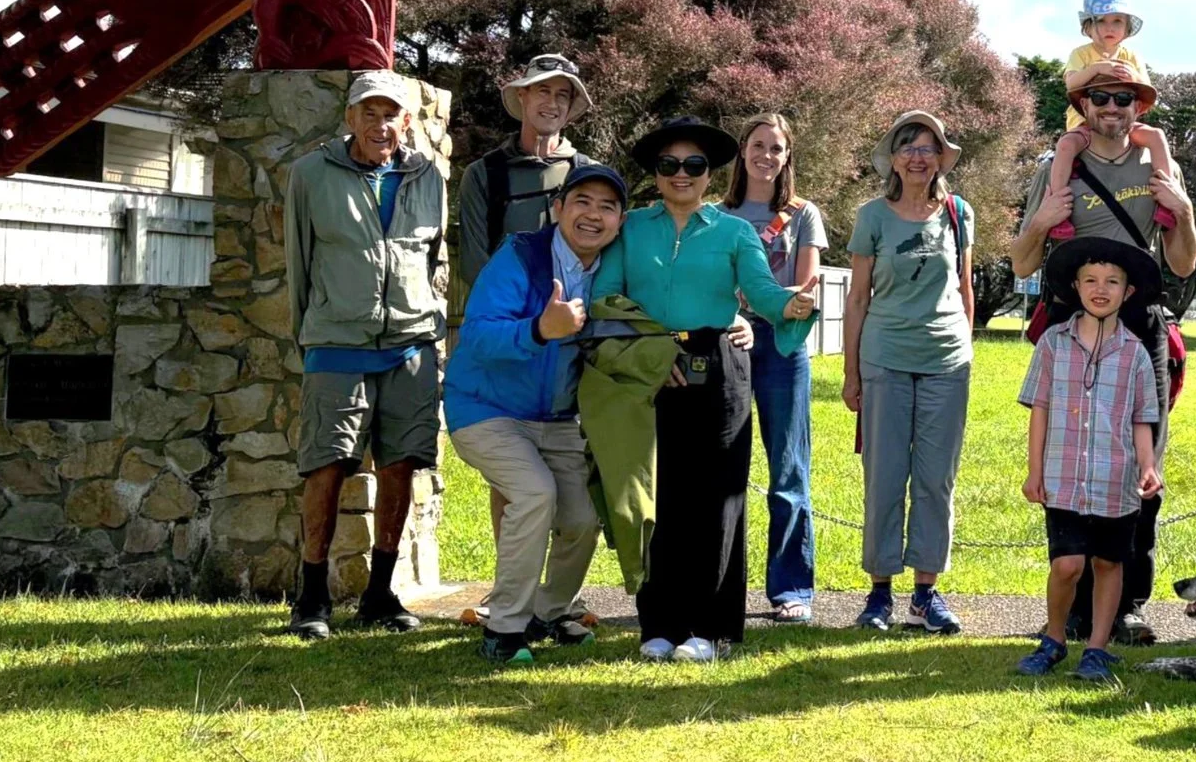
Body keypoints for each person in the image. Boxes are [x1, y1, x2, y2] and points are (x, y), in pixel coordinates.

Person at [592, 118, 818, 662]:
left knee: (717, 498)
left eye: (693, 165)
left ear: (709, 172)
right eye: (669, 164)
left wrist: (791, 305)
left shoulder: (733, 231)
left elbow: (762, 291)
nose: (681, 174)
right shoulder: (631, 229)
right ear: (656, 172)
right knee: (659, 495)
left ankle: (705, 628)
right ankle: (659, 624)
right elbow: (606, 296)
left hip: (719, 369)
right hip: (653, 365)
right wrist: (651, 351)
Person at [1009, 56, 1196, 644]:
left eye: (1124, 99)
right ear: (1083, 107)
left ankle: (1126, 606)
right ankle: (1071, 607)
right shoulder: (1058, 168)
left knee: (1140, 463)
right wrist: (1041, 221)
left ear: (1138, 107)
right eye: (1100, 99)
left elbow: (1184, 261)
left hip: (1139, 326)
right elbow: (1021, 262)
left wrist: (1186, 210)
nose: (1112, 109)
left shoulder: (1156, 165)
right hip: (1072, 321)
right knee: (1072, 455)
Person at [284, 70, 448, 641]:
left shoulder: (429, 175)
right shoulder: (309, 175)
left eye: (391, 115)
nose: (381, 125)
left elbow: (432, 258)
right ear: (349, 118)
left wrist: (426, 325)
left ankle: (380, 593)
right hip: (336, 342)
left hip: (410, 344)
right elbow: (298, 264)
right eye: (369, 113)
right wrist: (311, 333)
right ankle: (311, 596)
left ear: (406, 121)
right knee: (325, 465)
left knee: (401, 466)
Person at [446, 163, 627, 661]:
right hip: (485, 409)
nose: (593, 215)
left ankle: (551, 610)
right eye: (582, 202)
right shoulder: (519, 256)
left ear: (620, 220)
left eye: (607, 206)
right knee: (534, 493)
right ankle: (504, 630)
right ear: (558, 209)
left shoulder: (613, 269)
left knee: (583, 518)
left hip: (557, 419)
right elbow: (478, 336)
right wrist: (539, 329)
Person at [842, 111, 976, 635]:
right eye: (908, 147)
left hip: (946, 361)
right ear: (893, 159)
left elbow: (964, 287)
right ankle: (879, 595)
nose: (918, 156)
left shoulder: (959, 213)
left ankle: (926, 595)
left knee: (936, 481)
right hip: (885, 358)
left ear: (942, 156)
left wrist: (967, 344)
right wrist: (851, 373)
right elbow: (856, 298)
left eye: (929, 147)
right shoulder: (872, 215)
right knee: (884, 475)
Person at [1016, 236, 1165, 681]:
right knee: (1067, 564)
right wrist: (1035, 471)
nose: (1101, 289)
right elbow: (1039, 409)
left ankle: (1097, 648)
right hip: (1063, 477)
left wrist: (1147, 466)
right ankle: (1055, 638)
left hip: (1115, 478)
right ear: (1076, 287)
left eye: (1112, 282)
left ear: (1128, 292)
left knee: (1108, 563)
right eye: (1091, 280)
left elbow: (1143, 418)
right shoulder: (1052, 344)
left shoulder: (1136, 353)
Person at [722, 114, 826, 622]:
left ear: (788, 157)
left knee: (788, 469)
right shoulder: (716, 215)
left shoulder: (803, 214)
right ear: (743, 151)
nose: (767, 155)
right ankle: (722, 586)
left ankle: (792, 590)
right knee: (725, 470)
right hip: (728, 345)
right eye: (758, 145)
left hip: (784, 350)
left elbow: (804, 290)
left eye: (777, 148)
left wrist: (761, 300)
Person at [457, 53, 596, 290]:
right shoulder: (483, 175)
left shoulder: (590, 175)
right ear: (523, 95)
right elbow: (474, 266)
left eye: (562, 95)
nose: (552, 104)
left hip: (578, 316)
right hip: (507, 318)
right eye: (543, 90)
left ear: (570, 106)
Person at [1057, 0, 1155, 135]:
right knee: (1068, 145)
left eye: (1117, 21)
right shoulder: (1080, 54)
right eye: (1101, 20)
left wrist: (1134, 76)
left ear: (1127, 28)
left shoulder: (1132, 57)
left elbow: (1148, 89)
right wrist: (1096, 69)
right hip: (1084, 120)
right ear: (1088, 27)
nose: (1110, 28)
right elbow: (1071, 84)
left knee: (1155, 136)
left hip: (1122, 120)